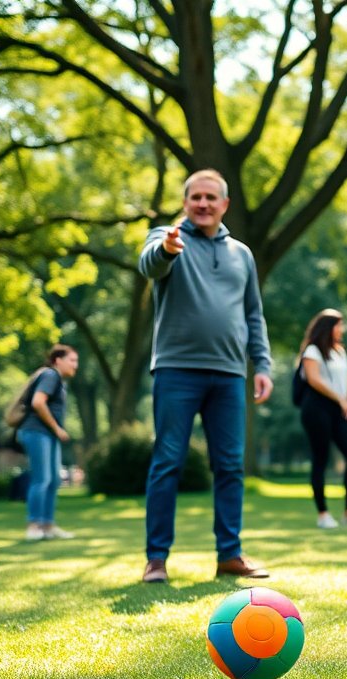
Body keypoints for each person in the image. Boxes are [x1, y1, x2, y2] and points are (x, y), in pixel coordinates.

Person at [137, 169, 274, 583]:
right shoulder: (166, 236)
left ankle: (229, 554)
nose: (203, 203)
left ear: (224, 204)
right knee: (168, 462)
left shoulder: (241, 253)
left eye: (211, 197)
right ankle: (156, 558)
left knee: (230, 466)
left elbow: (253, 313)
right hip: (176, 370)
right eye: (195, 197)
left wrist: (262, 365)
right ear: (185, 202)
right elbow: (150, 266)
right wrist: (166, 249)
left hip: (230, 375)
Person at [297, 309, 347, 529]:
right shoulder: (312, 350)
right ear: (327, 327)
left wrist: (346, 402)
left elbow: (345, 379)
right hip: (316, 408)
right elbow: (313, 379)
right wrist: (340, 399)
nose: (342, 329)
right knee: (320, 459)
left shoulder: (340, 351)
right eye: (339, 325)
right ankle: (323, 514)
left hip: (339, 409)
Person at [17, 344, 79, 541]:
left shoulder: (60, 382)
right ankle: (34, 526)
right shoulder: (51, 375)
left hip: (48, 435)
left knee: (53, 479)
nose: (75, 366)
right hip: (36, 432)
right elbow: (38, 402)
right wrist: (57, 428)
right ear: (57, 360)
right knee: (41, 479)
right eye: (72, 360)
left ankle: (48, 526)